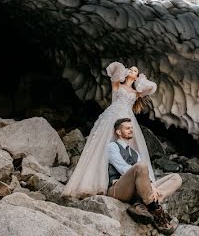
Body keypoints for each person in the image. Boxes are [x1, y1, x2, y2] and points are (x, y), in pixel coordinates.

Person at [61, 62, 179, 231]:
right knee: (103, 147)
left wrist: (140, 80)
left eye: (135, 71)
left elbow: (151, 88)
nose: (132, 71)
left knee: (151, 165)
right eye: (131, 69)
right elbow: (113, 70)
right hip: (113, 116)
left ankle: (148, 197)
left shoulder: (136, 92)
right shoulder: (118, 84)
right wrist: (123, 71)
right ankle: (150, 205)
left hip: (127, 119)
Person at [107, 117, 181, 232]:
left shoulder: (135, 153)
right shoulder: (112, 146)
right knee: (141, 166)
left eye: (131, 128)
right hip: (119, 188)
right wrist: (151, 186)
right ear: (118, 132)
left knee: (176, 178)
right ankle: (155, 209)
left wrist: (151, 185)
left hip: (138, 190)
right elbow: (122, 168)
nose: (131, 130)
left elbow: (144, 176)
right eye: (127, 128)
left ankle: (144, 203)